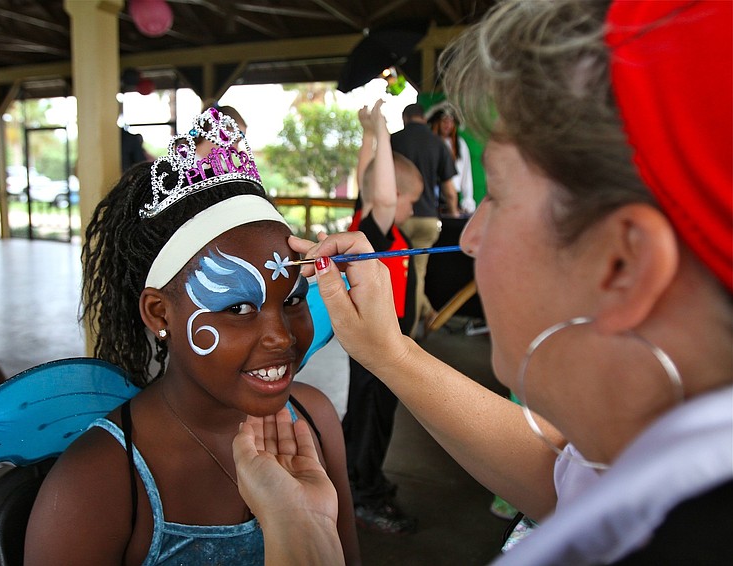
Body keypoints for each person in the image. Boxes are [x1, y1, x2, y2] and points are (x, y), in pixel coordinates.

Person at [233, 0, 732, 564]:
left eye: (495, 192)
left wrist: (303, 540)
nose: (468, 240)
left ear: (623, 265)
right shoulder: (642, 465)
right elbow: (561, 479)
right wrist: (388, 351)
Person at [24, 107, 360, 565]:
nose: (281, 337)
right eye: (238, 308)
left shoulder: (314, 420)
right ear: (159, 313)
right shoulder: (98, 481)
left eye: (293, 299)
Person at [344, 100, 422, 534]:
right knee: (373, 421)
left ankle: (361, 480)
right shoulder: (376, 231)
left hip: (375, 347)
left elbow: (366, 179)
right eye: (410, 200)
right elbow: (381, 191)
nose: (408, 208)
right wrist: (384, 133)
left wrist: (370, 136)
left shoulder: (366, 225)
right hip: (377, 348)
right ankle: (364, 493)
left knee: (364, 417)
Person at [390, 103, 457, 335]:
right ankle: (424, 316)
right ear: (424, 119)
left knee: (400, 275)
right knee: (417, 275)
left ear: (405, 119)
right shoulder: (438, 143)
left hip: (398, 219)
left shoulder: (394, 140)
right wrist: (455, 212)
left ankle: (406, 333)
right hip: (428, 220)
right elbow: (449, 189)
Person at [426, 104, 475, 215]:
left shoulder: (460, 145)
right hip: (431, 197)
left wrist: (468, 199)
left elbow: (466, 174)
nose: (448, 125)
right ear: (437, 122)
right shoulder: (429, 143)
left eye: (451, 121)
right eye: (444, 121)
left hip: (452, 196)